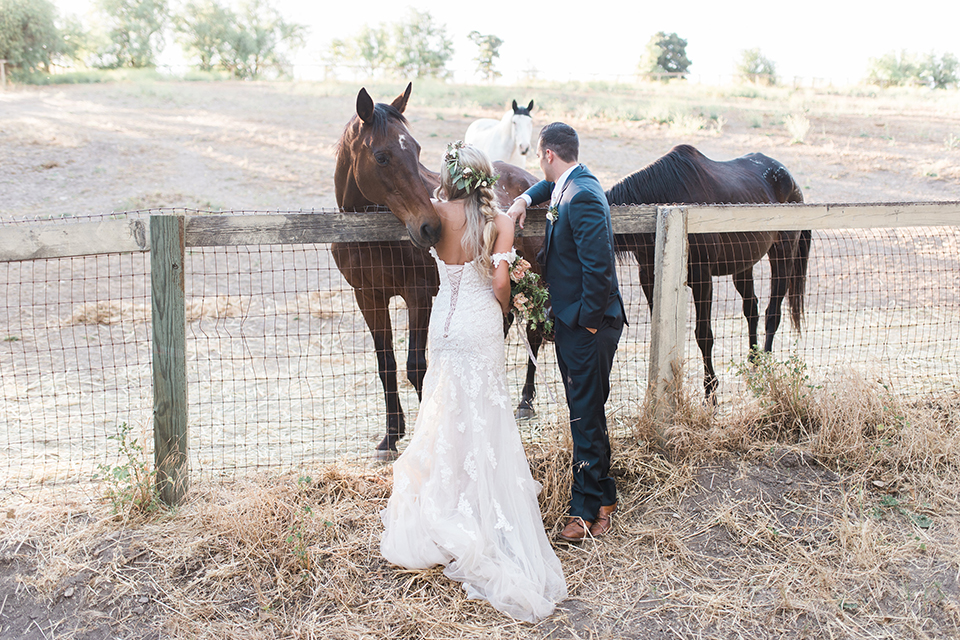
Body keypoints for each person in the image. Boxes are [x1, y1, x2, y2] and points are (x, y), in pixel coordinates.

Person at [380, 141, 567, 622]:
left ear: (448, 178)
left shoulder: (435, 215)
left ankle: (445, 500)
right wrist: (503, 308)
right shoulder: (499, 223)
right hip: (480, 321)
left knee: (445, 411)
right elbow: (501, 284)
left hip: (443, 321)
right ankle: (479, 506)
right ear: (484, 178)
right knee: (483, 413)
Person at [506, 122, 626, 543]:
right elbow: (547, 190)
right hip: (577, 323)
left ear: (548, 155)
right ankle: (601, 500)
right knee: (586, 413)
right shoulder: (567, 185)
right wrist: (524, 198)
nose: (540, 165)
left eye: (540, 158)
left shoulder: (585, 196)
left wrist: (587, 323)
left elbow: (600, 270)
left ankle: (584, 511)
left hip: (589, 326)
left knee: (585, 416)